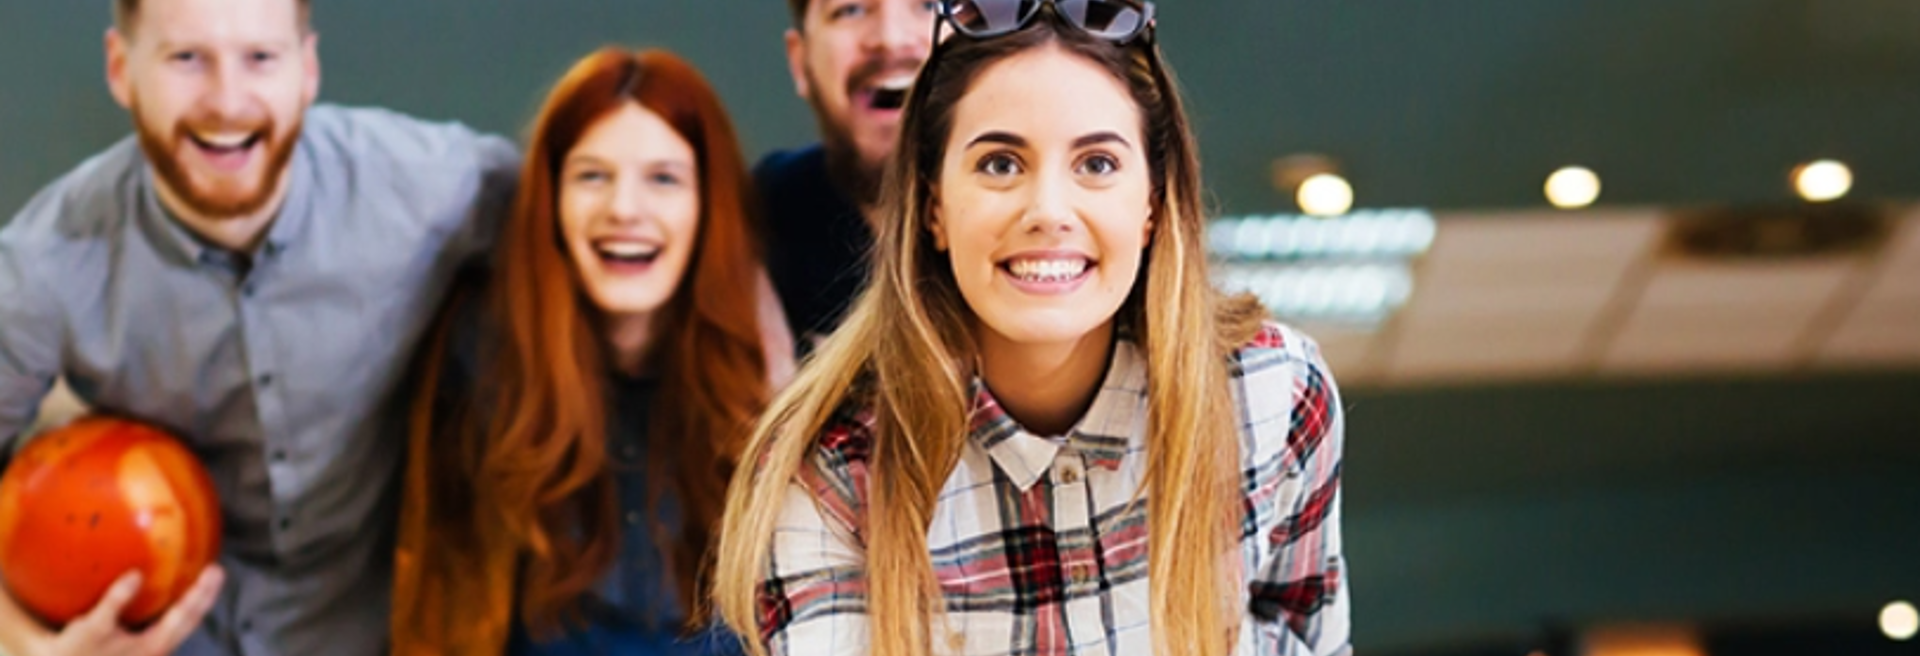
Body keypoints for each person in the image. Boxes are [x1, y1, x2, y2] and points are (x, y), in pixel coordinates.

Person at [713, 2, 1351, 655]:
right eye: (1000, 164)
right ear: (934, 207)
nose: (1048, 211)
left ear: (1152, 205)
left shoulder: (1271, 395)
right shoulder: (829, 473)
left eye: (1097, 164)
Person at [0, 0, 518, 654]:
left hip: (389, 634)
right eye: (186, 58)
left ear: (306, 70)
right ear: (120, 68)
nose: (227, 101)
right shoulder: (43, 264)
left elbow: (590, 222)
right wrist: (18, 641)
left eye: (260, 58)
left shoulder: (428, 189)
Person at [390, 48, 791, 656]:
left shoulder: (766, 364)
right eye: (591, 176)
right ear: (549, 202)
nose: (624, 209)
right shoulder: (482, 358)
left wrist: (781, 412)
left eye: (664, 178)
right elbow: (443, 611)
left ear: (709, 205)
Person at [757, 0, 940, 347]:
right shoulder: (755, 220)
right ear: (800, 62)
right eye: (851, 9)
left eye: (929, 5)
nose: (890, 39)